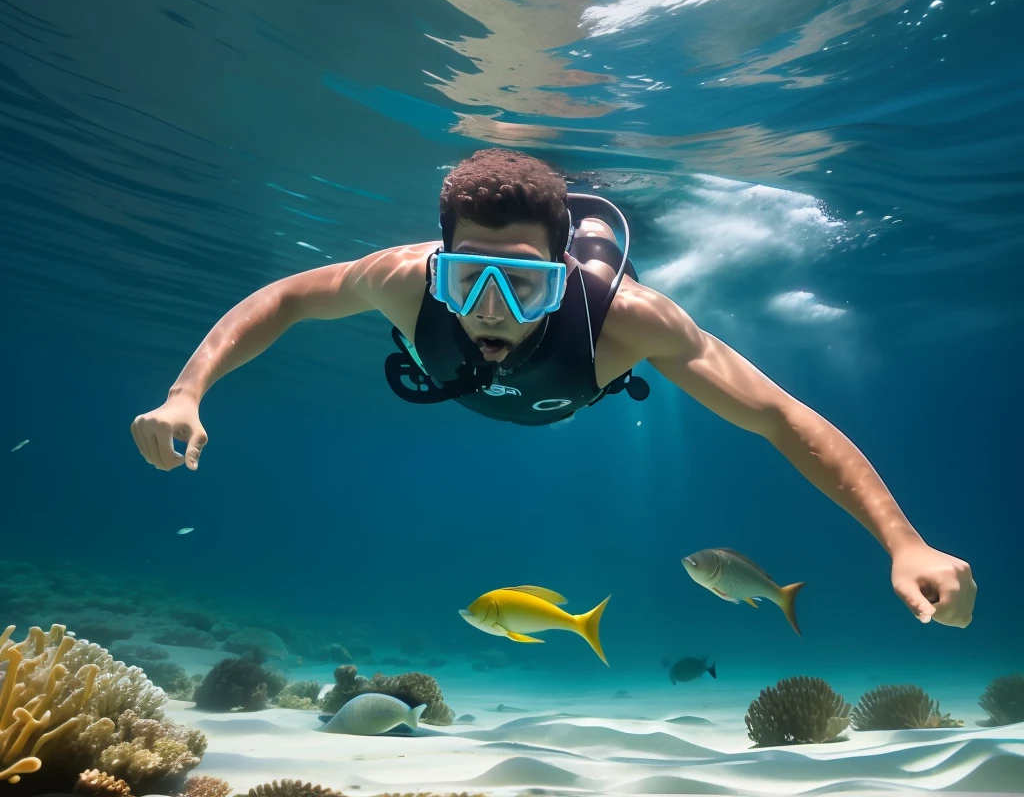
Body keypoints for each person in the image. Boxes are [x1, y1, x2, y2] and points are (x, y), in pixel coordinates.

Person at [132, 148, 976, 628]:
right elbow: (284, 297)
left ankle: (595, 218)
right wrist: (187, 389)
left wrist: (903, 542)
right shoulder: (402, 280)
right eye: (469, 279)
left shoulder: (630, 322)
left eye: (525, 284)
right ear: (441, 264)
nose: (489, 311)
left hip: (585, 350)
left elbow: (782, 418)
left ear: (562, 276)